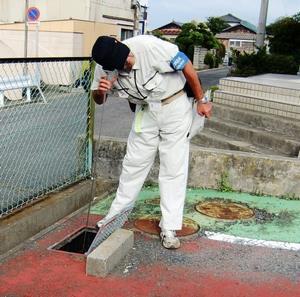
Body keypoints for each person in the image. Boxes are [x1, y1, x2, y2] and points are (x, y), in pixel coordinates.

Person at [90, 35, 212, 249]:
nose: (127, 63)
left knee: (173, 167)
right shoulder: (105, 67)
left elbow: (187, 66)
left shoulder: (151, 47)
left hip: (174, 106)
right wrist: (102, 91)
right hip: (145, 110)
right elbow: (98, 100)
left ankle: (170, 227)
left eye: (127, 59)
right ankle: (114, 219)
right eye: (121, 65)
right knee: (133, 165)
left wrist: (201, 100)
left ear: (122, 46)